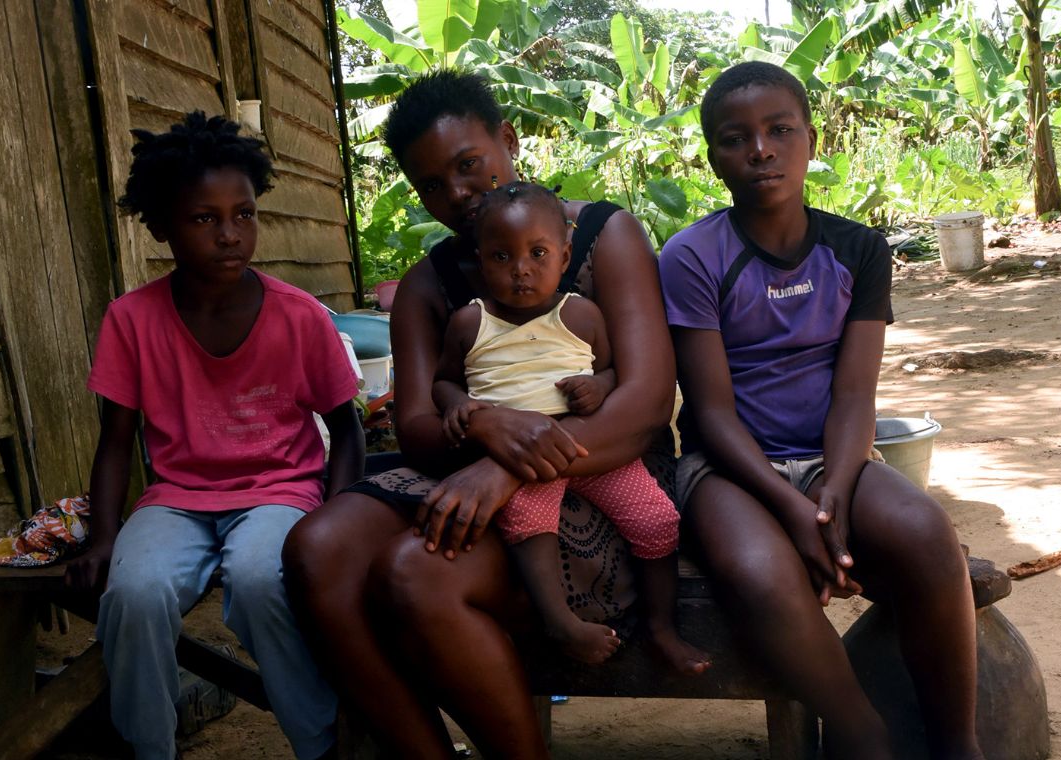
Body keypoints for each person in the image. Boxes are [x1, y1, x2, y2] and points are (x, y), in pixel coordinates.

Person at [282, 70, 677, 759]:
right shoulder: (429, 286)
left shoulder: (603, 237)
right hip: (465, 466)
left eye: (469, 166)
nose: (456, 195)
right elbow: (416, 430)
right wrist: (484, 425)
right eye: (431, 185)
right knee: (316, 548)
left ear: (508, 140)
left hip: (601, 472)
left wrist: (505, 471)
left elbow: (643, 407)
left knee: (414, 572)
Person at [658, 61, 985, 759]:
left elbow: (853, 394)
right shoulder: (692, 255)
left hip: (833, 456)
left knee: (928, 535)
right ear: (714, 156)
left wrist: (831, 492)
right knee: (759, 571)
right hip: (726, 468)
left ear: (810, 138)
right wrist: (789, 505)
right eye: (735, 137)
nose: (761, 150)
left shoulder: (857, 249)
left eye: (780, 130)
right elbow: (711, 413)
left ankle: (959, 744)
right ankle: (863, 737)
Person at [64, 112, 364, 760]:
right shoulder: (132, 320)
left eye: (244, 214)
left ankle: (319, 745)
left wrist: (333, 519)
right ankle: (149, 747)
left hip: (279, 490)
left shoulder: (299, 316)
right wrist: (105, 536)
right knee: (134, 594)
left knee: (261, 580)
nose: (230, 235)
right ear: (163, 226)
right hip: (177, 497)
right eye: (205, 219)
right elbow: (115, 439)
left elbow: (347, 425)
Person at [432, 181, 708, 670]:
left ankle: (662, 627)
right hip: (519, 459)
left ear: (564, 257)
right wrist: (458, 406)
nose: (521, 269)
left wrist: (599, 387)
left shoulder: (581, 315)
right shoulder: (469, 324)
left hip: (588, 452)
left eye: (538, 253)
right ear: (479, 259)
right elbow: (445, 382)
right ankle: (560, 622)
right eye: (501, 257)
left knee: (656, 518)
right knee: (528, 523)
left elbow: (615, 370)